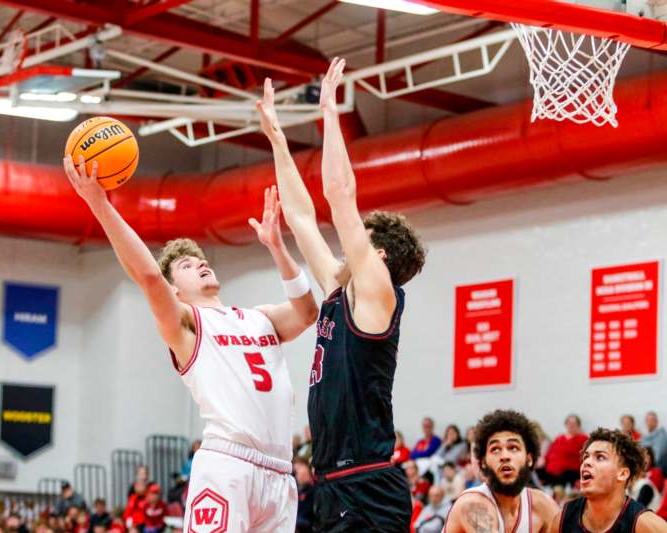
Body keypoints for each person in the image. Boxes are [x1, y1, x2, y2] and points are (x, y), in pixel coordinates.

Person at [64, 150, 318, 532]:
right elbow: (149, 276)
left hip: (280, 474)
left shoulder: (258, 318)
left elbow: (307, 312)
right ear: (175, 290)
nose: (200, 263)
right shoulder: (187, 323)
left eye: (201, 260)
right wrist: (100, 204)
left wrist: (279, 250)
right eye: (186, 265)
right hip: (228, 465)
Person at [257, 57, 426, 532]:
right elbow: (301, 216)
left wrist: (329, 113)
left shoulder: (378, 294)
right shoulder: (340, 287)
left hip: (366, 484)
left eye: (360, 234)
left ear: (379, 255)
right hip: (331, 483)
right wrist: (277, 139)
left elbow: (339, 195)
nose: (347, 237)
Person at [444, 409, 560, 533]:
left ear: (529, 459)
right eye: (495, 449)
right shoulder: (473, 504)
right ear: (483, 462)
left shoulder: (542, 505)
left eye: (513, 448)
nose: (504, 456)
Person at [549, 428, 667, 533]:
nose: (587, 462)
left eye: (600, 457)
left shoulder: (644, 523)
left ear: (622, 474)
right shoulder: (563, 519)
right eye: (586, 457)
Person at [540, 414, 588, 488]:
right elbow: (549, 453)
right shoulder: (559, 438)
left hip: (569, 472)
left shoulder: (583, 439)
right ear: (566, 425)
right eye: (569, 423)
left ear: (578, 426)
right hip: (551, 471)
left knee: (566, 474)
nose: (571, 426)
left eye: (573, 424)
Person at [294, 458, 315, 533]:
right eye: (295, 472)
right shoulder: (300, 492)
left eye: (299, 468)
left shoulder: (315, 488)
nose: (298, 474)